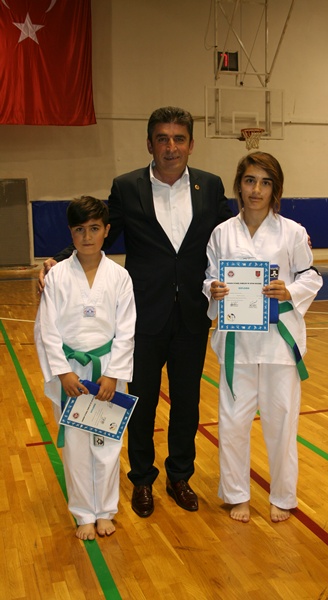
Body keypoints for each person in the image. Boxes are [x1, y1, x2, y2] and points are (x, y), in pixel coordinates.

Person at [38, 107, 233, 517]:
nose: (171, 147)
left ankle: (180, 476)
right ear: (149, 144)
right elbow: (100, 230)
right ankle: (142, 478)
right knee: (140, 401)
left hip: (192, 314)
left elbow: (230, 238)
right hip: (144, 314)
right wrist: (59, 258)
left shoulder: (211, 186)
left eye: (179, 139)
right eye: (162, 138)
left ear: (191, 145)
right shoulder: (127, 187)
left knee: (187, 401)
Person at [203, 152, 322, 524]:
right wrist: (213, 289)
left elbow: (311, 275)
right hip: (236, 343)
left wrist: (290, 290)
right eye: (250, 180)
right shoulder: (222, 233)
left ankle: (283, 496)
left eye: (265, 183)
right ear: (239, 185)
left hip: (277, 343)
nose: (256, 190)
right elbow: (209, 277)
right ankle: (236, 494)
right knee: (232, 422)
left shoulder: (292, 232)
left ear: (275, 190)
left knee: (282, 423)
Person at [35, 196, 136, 540]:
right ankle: (83, 513)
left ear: (107, 230)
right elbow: (47, 329)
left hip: (107, 370)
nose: (87, 236)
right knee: (76, 446)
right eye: (80, 230)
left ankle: (105, 510)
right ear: (70, 233)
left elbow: (126, 329)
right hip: (70, 373)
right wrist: (62, 372)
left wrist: (113, 374)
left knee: (108, 443)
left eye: (94, 228)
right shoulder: (57, 276)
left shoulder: (120, 276)